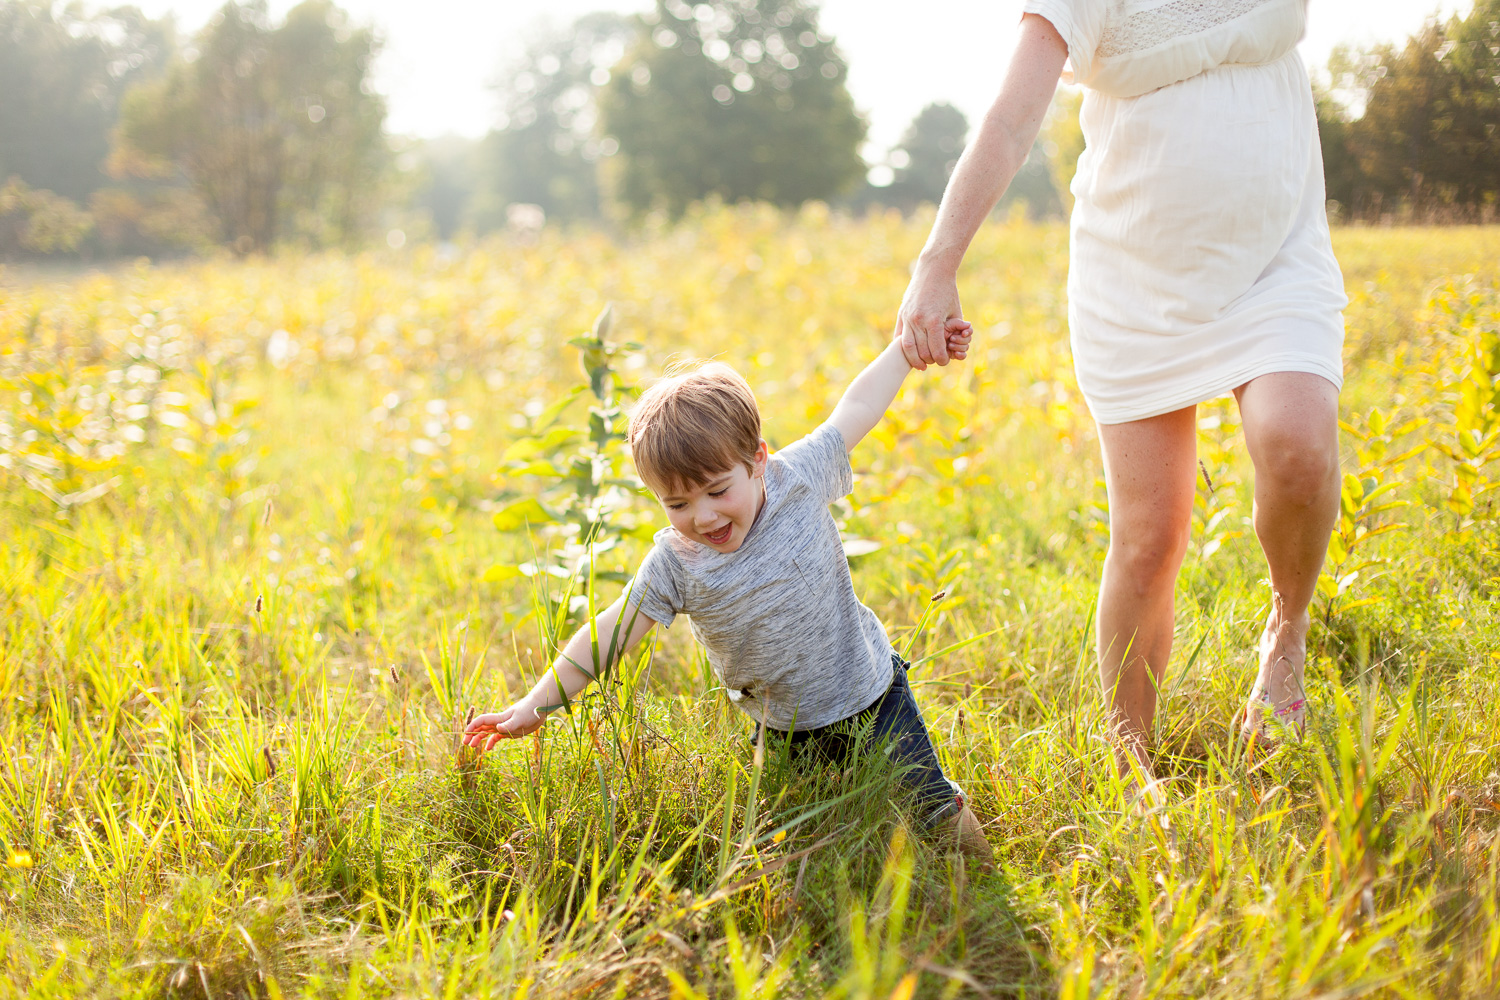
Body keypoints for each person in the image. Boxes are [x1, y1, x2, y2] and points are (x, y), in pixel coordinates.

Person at [893, 0, 1345, 792]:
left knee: (1298, 447)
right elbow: (1008, 118)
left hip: (1278, 253)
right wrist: (936, 264)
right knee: (1149, 537)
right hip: (1134, 276)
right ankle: (1130, 768)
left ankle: (1286, 627)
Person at [463, 327, 991, 858]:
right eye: (677, 504)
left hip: (873, 693)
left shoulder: (799, 477)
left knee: (930, 808)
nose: (704, 516)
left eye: (718, 490)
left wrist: (905, 349)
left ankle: (982, 885)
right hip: (782, 725)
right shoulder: (675, 562)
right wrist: (537, 703)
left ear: (757, 459)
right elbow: (611, 630)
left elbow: (856, 406)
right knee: (811, 835)